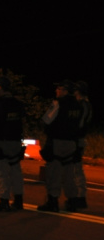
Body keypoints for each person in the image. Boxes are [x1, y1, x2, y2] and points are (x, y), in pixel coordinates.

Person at [37, 80, 83, 212]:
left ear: (65, 90)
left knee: (54, 173)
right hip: (72, 143)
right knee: (69, 174)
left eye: (59, 88)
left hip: (57, 142)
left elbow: (46, 120)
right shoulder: (78, 105)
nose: (56, 91)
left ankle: (53, 201)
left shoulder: (58, 103)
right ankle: (72, 201)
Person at [0, 77, 26, 211]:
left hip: (2, 141)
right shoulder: (18, 104)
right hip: (15, 142)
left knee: (2, 173)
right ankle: (18, 201)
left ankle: (4, 201)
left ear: (0, 87)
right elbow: (22, 122)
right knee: (16, 172)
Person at [73, 80, 92, 209]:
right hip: (79, 138)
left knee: (76, 169)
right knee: (76, 169)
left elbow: (80, 123)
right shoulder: (86, 104)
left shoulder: (82, 105)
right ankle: (78, 196)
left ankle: (80, 197)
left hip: (77, 139)